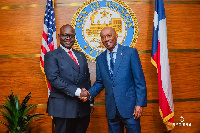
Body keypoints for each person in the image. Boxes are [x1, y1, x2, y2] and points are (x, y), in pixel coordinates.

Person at [81, 27, 147, 133]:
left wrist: (139, 104)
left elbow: (139, 80)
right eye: (103, 37)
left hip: (131, 109)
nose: (106, 39)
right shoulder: (100, 59)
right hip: (112, 110)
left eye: (109, 36)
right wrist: (88, 94)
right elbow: (100, 82)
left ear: (116, 36)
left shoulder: (130, 53)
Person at [44, 24, 92, 133]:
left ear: (74, 37)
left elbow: (86, 78)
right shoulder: (51, 55)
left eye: (71, 36)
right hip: (63, 109)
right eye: (65, 35)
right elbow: (54, 78)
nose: (68, 38)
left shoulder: (81, 55)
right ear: (58, 36)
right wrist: (78, 92)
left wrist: (90, 100)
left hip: (83, 108)